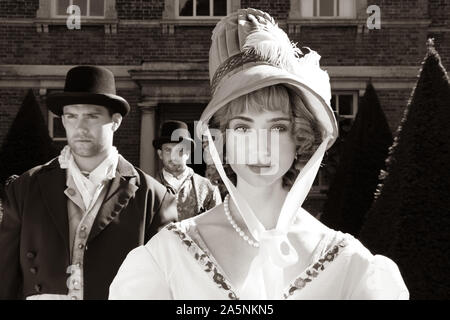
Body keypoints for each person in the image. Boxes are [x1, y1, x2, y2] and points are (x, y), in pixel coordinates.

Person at [109, 9, 409, 300]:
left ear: (300, 138)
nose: (260, 146)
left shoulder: (351, 265)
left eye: (278, 127)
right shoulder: (166, 258)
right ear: (221, 139)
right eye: (242, 128)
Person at [0, 65, 177, 300]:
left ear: (115, 121)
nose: (80, 127)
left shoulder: (153, 197)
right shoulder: (25, 187)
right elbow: (5, 278)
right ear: (63, 120)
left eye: (92, 116)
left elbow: (165, 284)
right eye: (72, 116)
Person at [153, 120, 221, 220]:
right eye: (168, 150)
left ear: (188, 154)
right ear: (160, 154)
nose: (174, 156)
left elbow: (217, 226)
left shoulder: (208, 188)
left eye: (180, 150)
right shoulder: (148, 187)